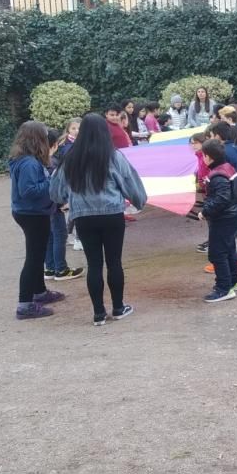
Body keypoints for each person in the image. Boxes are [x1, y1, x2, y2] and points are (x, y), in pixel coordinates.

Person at [50, 114, 147, 326]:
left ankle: (98, 313)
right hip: (111, 214)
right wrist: (140, 201)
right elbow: (130, 182)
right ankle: (119, 307)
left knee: (94, 264)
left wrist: (66, 200)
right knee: (114, 262)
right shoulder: (113, 156)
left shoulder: (70, 158)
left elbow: (56, 192)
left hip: (83, 217)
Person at [10, 121, 65, 320]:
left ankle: (39, 292)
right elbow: (29, 191)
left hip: (31, 212)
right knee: (33, 258)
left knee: (37, 254)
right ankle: (25, 304)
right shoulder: (29, 163)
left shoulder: (26, 159)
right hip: (32, 213)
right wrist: (52, 180)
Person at [197, 139, 237, 303]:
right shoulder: (227, 168)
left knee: (217, 253)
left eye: (203, 155)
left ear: (208, 157)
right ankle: (233, 281)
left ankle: (223, 288)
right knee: (229, 249)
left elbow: (221, 199)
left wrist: (205, 211)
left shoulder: (217, 174)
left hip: (224, 218)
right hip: (233, 215)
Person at [206, 122, 237, 271]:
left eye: (212, 135)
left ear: (218, 135)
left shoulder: (223, 152)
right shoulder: (235, 147)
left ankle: (224, 261)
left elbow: (223, 175)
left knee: (227, 226)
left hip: (234, 188)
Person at [44, 128, 83, 282]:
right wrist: (62, 202)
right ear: (54, 145)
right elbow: (54, 186)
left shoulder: (38, 160)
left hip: (44, 209)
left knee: (49, 236)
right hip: (54, 207)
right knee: (59, 236)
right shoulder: (51, 163)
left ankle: (50, 268)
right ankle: (61, 269)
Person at [190, 133, 210, 254]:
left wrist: (202, 185)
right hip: (205, 191)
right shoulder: (199, 156)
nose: (193, 146)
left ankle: (214, 243)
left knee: (213, 218)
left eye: (195, 143)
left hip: (209, 191)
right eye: (192, 143)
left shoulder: (206, 157)